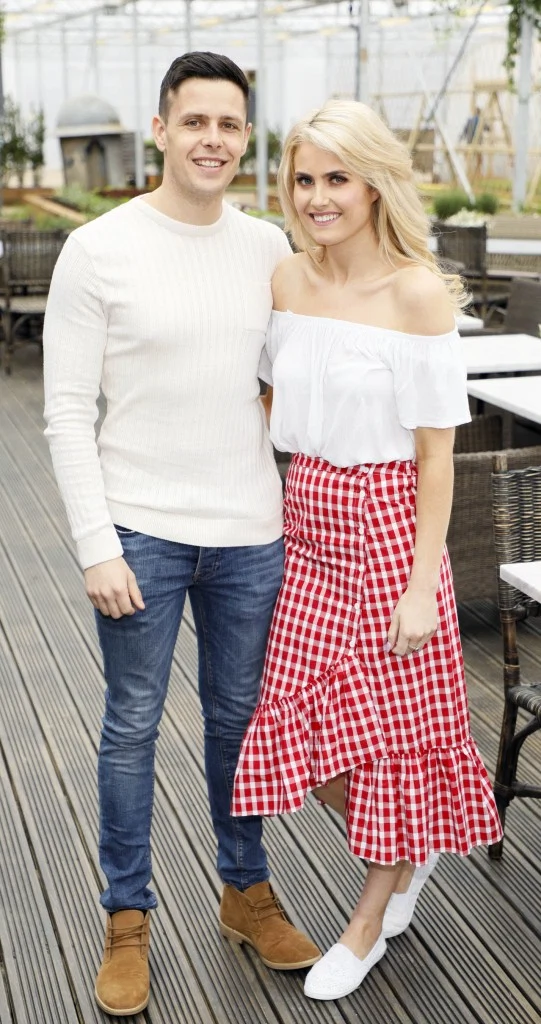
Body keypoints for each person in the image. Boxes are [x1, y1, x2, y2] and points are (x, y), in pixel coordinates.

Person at [43, 51, 320, 1018]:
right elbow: (66, 409)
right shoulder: (98, 249)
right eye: (194, 121)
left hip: (249, 529)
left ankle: (245, 893)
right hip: (141, 530)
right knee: (131, 726)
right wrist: (96, 543)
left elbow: (289, 383)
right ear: (160, 130)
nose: (213, 139)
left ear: (246, 138)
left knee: (238, 721)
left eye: (229, 124)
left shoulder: (267, 247)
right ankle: (128, 920)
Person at [232, 98, 503, 1002]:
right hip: (307, 523)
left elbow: (436, 456)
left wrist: (423, 584)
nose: (317, 197)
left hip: (388, 526)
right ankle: (412, 846)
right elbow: (269, 395)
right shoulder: (286, 280)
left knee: (391, 739)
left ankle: (367, 922)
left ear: (374, 185)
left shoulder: (414, 292)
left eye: (337, 179)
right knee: (305, 734)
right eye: (303, 179)